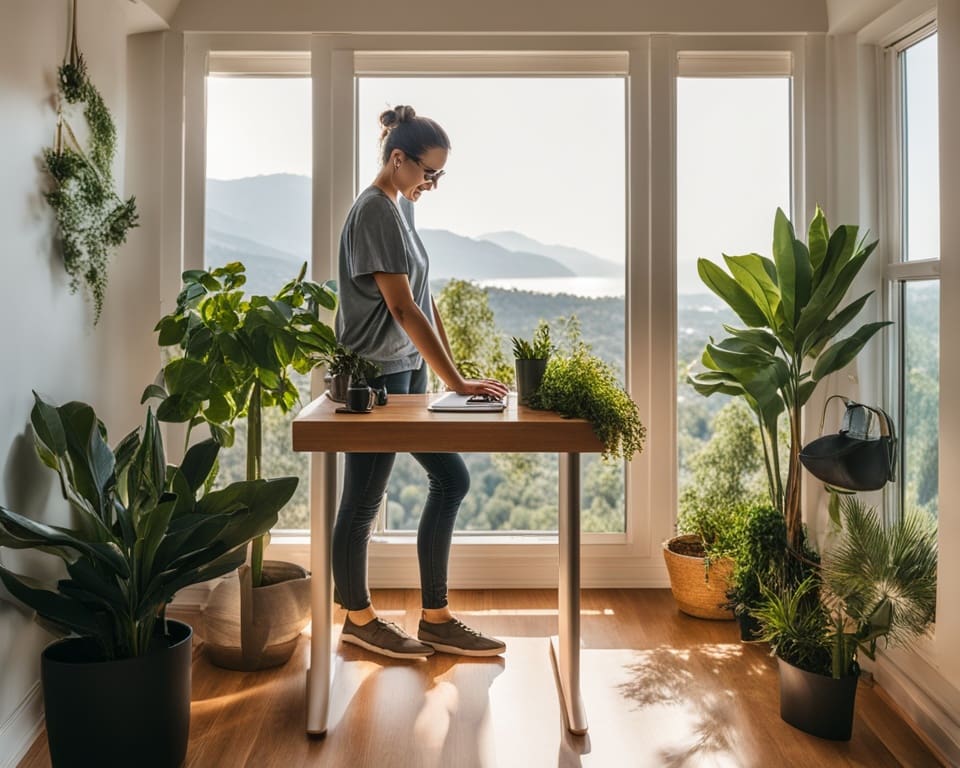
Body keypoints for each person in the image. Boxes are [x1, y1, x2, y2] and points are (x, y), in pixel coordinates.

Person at [333, 105, 509, 660]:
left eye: (440, 175)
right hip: (375, 376)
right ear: (397, 158)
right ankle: (359, 619)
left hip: (406, 368)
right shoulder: (375, 212)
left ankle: (435, 619)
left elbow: (426, 300)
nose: (432, 183)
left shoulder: (402, 208)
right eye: (428, 172)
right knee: (363, 502)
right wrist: (455, 379)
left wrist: (455, 380)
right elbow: (404, 309)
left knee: (449, 481)